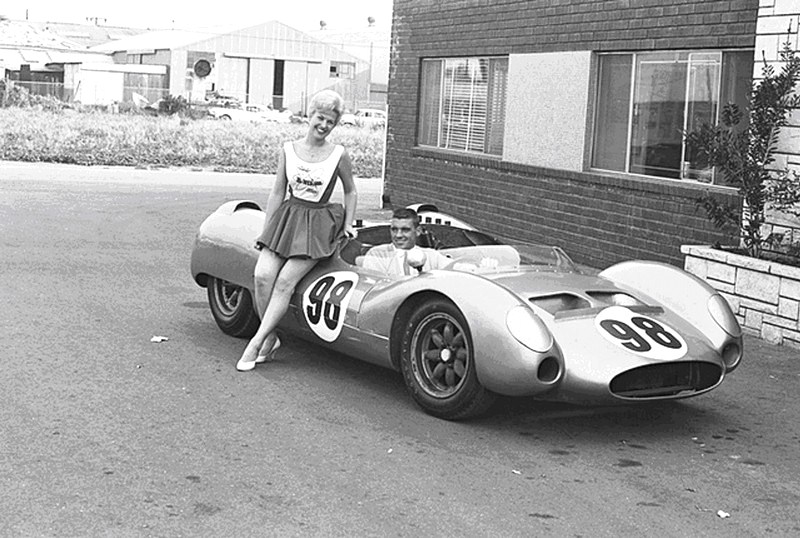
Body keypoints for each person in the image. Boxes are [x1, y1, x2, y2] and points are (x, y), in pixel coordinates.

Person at [237, 89, 358, 372]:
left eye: (331, 122)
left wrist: (349, 223)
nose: (324, 125)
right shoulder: (288, 149)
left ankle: (256, 342)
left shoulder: (339, 154)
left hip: (318, 225)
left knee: (284, 283)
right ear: (309, 115)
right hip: (288, 219)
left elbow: (350, 191)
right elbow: (278, 192)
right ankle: (271, 338)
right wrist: (266, 232)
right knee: (262, 276)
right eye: (320, 118)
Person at [361, 207, 452, 276]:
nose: (398, 235)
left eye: (405, 230)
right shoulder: (377, 254)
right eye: (394, 229)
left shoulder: (432, 256)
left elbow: (455, 270)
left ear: (418, 231)